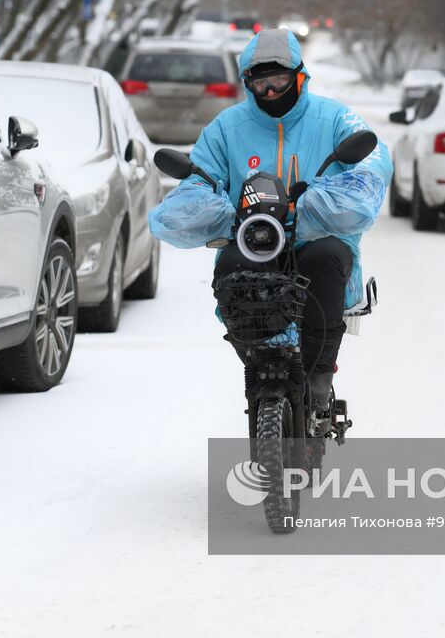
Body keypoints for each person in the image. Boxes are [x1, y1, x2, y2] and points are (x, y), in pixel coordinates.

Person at [148, 28, 392, 409]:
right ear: (248, 83)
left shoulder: (333, 118)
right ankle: (259, 369)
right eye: (261, 83)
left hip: (318, 238)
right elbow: (199, 178)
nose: (272, 91)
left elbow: (372, 159)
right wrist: (208, 209)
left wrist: (328, 201)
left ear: (299, 75)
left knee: (324, 260)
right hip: (252, 240)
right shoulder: (226, 129)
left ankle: (318, 377)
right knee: (232, 268)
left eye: (279, 80)